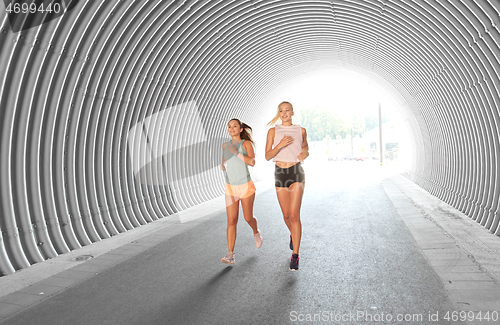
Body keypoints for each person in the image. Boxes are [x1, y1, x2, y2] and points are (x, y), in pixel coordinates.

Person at [265, 101, 309, 271]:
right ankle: (293, 233)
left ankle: (295, 255)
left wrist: (305, 153)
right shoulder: (273, 131)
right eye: (281, 111)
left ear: (292, 113)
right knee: (285, 215)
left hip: (297, 172)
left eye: (287, 110)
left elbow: (306, 149)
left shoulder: (301, 130)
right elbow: (268, 156)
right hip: (280, 173)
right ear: (279, 113)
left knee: (294, 215)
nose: (284, 113)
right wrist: (280, 145)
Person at [220, 118, 262, 264]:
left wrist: (236, 153)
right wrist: (223, 166)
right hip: (230, 187)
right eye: (229, 126)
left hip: (245, 186)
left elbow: (252, 162)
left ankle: (256, 232)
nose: (231, 128)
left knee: (248, 218)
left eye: (235, 126)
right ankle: (230, 254)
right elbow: (224, 162)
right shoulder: (225, 145)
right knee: (231, 220)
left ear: (241, 129)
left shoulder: (246, 144)